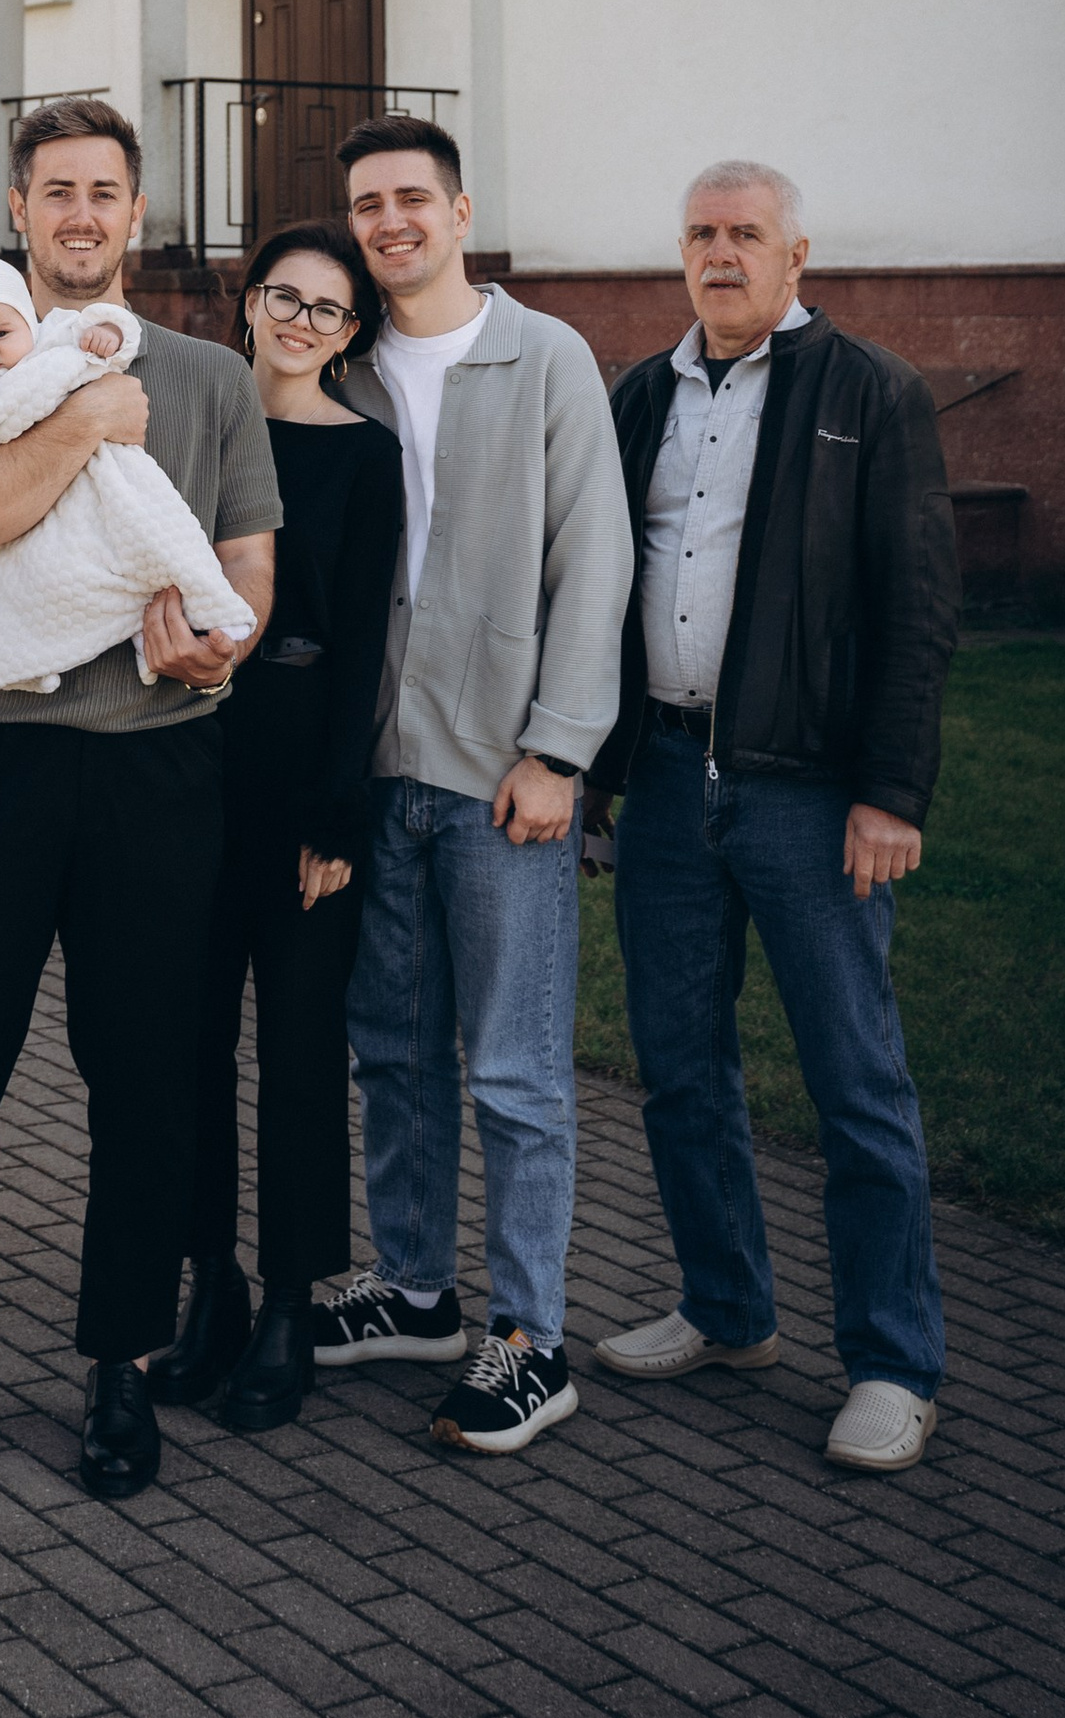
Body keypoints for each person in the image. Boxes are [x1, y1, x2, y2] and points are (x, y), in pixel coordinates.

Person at [0, 99, 280, 1508]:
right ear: (19, 212)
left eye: (105, 192)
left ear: (135, 216)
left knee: (146, 1067)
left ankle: (122, 1364)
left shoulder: (213, 379)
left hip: (160, 761)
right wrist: (86, 414)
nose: (82, 214)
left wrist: (232, 637)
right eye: (56, 192)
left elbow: (250, 564)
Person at [587, 163, 958, 1475]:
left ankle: (894, 1365)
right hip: (672, 786)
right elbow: (598, 586)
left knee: (856, 1082)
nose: (723, 252)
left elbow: (917, 610)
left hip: (809, 794)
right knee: (680, 1069)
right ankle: (728, 1307)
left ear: (799, 253)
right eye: (701, 233)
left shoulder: (870, 393)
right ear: (677, 253)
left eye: (748, 234)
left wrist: (890, 793)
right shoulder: (641, 396)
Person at [317, 115, 632, 1456]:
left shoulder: (543, 354)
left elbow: (598, 561)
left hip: (504, 777)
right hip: (380, 771)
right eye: (368, 206)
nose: (390, 223)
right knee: (392, 1052)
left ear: (457, 210)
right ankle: (414, 1290)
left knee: (513, 1069)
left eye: (411, 200)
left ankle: (532, 1339)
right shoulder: (348, 366)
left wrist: (561, 750)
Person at [150, 228, 402, 1435]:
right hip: (189, 765)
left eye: (328, 309)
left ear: (352, 332)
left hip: (303, 786)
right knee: (188, 1046)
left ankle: (295, 1301)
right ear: (249, 303)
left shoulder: (366, 455)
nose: (300, 320)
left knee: (298, 1054)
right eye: (283, 296)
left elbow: (361, 643)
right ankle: (214, 1289)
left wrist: (340, 806)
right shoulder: (191, 416)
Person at [0, 259, 253, 692]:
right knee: (37, 574)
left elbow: (108, 328)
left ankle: (209, 614)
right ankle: (43, 650)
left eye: (1, 334)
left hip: (99, 482)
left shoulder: (49, 340)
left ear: (27, 326)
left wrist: (105, 334)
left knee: (150, 540)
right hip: (22, 510)